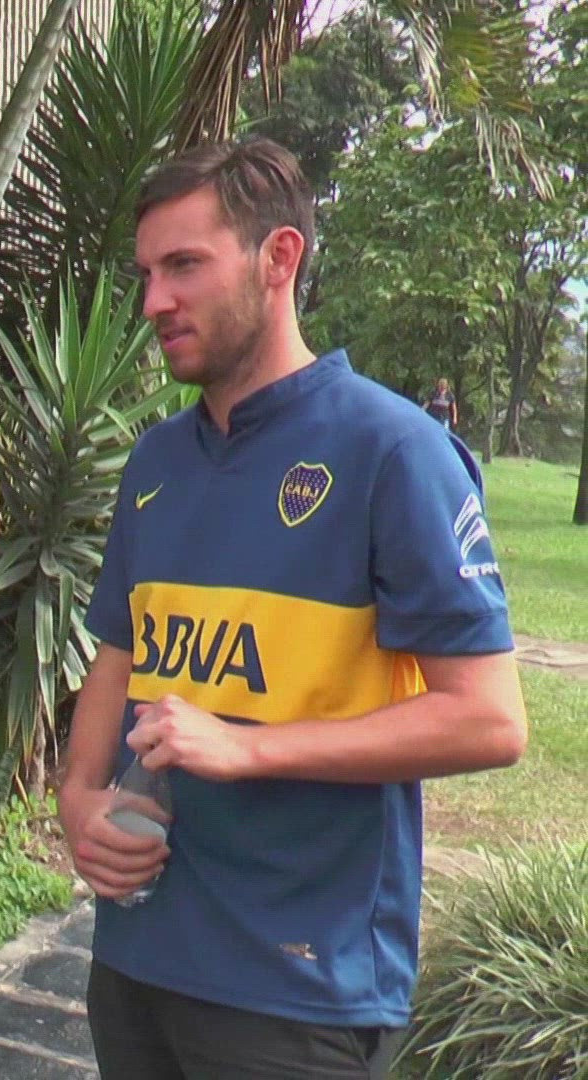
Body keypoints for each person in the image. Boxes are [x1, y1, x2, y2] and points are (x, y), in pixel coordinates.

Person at [59, 138, 527, 1079]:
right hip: (138, 956)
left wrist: (249, 748)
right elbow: (119, 651)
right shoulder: (155, 462)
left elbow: (490, 720)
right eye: (147, 274)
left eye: (184, 266)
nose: (154, 302)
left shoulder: (394, 453)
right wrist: (77, 800)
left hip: (299, 987)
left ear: (279, 259)